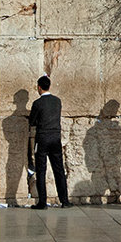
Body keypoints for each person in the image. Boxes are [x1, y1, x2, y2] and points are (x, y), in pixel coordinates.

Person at [28, 75, 71, 209]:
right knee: (59, 169)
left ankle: (42, 202)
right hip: (55, 138)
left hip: (42, 139)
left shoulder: (37, 103)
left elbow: (32, 121)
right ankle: (65, 201)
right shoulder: (57, 101)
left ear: (39, 87)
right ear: (49, 86)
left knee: (41, 170)